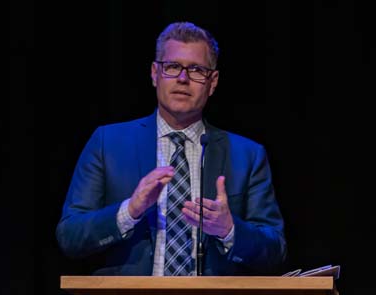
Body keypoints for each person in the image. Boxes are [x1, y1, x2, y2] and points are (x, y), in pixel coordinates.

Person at [56, 21, 286, 276]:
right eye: (173, 67)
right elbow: (70, 236)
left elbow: (274, 249)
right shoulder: (107, 143)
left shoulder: (247, 155)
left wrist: (228, 229)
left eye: (197, 69)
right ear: (155, 73)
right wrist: (129, 211)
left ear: (213, 82)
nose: (183, 78)